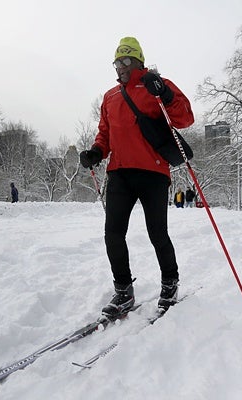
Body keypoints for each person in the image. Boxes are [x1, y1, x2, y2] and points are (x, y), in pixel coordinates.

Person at [79, 37, 194, 318]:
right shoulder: (110, 96)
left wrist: (165, 94)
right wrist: (96, 151)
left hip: (153, 172)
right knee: (113, 234)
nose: (121, 67)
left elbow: (185, 117)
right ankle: (123, 291)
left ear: (138, 62)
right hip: (119, 173)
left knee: (157, 233)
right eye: (117, 62)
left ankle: (169, 283)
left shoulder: (156, 85)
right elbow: (105, 133)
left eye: (126, 61)